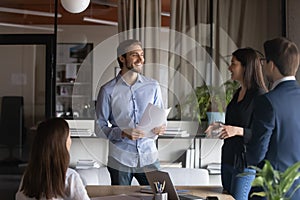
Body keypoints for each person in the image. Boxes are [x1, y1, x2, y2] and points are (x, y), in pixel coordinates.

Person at [96, 39, 166, 185]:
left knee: (160, 195)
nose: (141, 59)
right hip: (120, 158)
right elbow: (99, 128)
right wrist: (121, 133)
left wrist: (161, 128)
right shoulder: (107, 90)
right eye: (135, 55)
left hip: (149, 156)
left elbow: (161, 119)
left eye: (142, 54)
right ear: (122, 58)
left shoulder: (153, 86)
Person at [205, 48, 267, 200]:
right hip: (227, 159)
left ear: (246, 67)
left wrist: (237, 131)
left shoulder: (260, 95)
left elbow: (262, 134)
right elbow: (233, 125)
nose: (229, 68)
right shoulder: (237, 93)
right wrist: (219, 126)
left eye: (233, 63)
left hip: (244, 164)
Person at [246, 37, 300, 200]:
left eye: (263, 62)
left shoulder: (268, 102)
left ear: (271, 64)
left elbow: (257, 155)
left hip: (271, 191)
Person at [16, 118, 90, 200]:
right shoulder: (70, 177)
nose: (70, 141)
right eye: (69, 137)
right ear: (61, 144)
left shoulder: (28, 176)